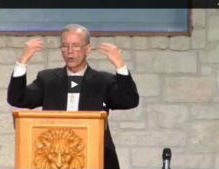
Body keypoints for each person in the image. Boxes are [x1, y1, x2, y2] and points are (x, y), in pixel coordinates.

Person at [7, 24, 139, 169]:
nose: (70, 51)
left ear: (88, 49)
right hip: (55, 161)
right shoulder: (48, 79)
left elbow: (129, 100)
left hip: (98, 157)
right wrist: (22, 61)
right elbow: (17, 98)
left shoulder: (103, 81)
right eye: (65, 46)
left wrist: (120, 65)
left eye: (76, 46)